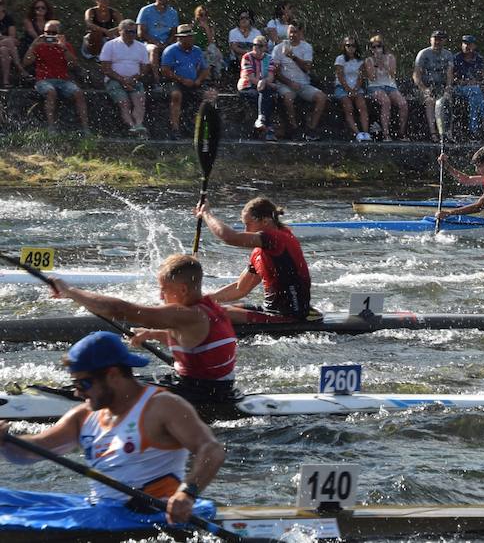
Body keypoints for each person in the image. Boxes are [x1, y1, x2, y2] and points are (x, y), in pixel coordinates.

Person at [0, 331, 224, 527]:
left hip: (149, 514)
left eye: (83, 384)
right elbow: (30, 453)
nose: (77, 393)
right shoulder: (84, 415)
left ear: (113, 375)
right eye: (74, 385)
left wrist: (187, 493)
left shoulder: (163, 406)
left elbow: (211, 449)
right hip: (102, 510)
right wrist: (5, 441)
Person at [50, 255, 237, 404]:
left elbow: (120, 310)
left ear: (182, 290)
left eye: (164, 289)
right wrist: (152, 334)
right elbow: (198, 342)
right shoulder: (211, 307)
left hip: (198, 393)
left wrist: (69, 291)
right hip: (216, 387)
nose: (160, 295)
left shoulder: (188, 314)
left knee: (104, 385)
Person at [199, 197, 312, 323]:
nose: (245, 230)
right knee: (208, 307)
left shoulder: (278, 239)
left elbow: (229, 237)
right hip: (269, 310)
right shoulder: (259, 252)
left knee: (214, 313)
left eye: (248, 224)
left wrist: (206, 214)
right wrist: (203, 299)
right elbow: (240, 288)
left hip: (290, 316)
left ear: (265, 221)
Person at [25, 20, 90, 131]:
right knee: (51, 92)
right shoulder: (39, 45)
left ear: (59, 33)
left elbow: (74, 64)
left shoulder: (65, 45)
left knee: (78, 93)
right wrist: (33, 45)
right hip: (43, 80)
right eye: (47, 32)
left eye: (53, 32)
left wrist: (63, 47)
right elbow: (25, 62)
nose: (49, 35)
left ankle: (86, 128)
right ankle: (51, 127)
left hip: (63, 80)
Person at [272, 22, 327, 140]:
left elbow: (307, 68)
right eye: (290, 32)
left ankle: (311, 128)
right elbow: (275, 73)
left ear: (301, 33)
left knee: (321, 97)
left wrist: (293, 57)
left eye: (295, 32)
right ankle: (294, 128)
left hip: (303, 84)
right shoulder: (278, 48)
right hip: (285, 84)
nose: (292, 35)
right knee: (288, 97)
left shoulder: (306, 47)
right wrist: (290, 83)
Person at [159, 24, 212, 136]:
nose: (192, 39)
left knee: (211, 95)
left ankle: (205, 127)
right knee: (176, 95)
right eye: (189, 37)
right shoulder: (170, 51)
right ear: (180, 38)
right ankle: (175, 128)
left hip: (194, 82)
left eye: (192, 36)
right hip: (174, 82)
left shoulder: (197, 50)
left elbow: (205, 69)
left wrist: (198, 79)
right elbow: (165, 71)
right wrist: (181, 79)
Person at [100, 19, 149, 136]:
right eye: (128, 32)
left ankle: (139, 125)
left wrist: (133, 79)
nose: (131, 34)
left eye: (133, 32)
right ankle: (131, 126)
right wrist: (123, 80)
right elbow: (105, 69)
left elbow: (144, 68)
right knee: (124, 102)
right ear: (120, 31)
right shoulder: (110, 45)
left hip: (134, 80)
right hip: (114, 80)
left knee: (139, 101)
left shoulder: (141, 47)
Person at [364, 34, 408, 142]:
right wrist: (376, 64)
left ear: (382, 47)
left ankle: (401, 133)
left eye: (378, 46)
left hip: (390, 86)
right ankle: (386, 133)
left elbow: (392, 74)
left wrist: (384, 64)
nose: (376, 49)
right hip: (375, 87)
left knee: (403, 104)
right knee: (386, 102)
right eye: (373, 47)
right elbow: (372, 77)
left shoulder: (390, 58)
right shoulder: (368, 60)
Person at [412, 30, 453, 142]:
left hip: (440, 86)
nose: (437, 42)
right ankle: (433, 133)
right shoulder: (423, 54)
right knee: (430, 101)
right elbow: (416, 75)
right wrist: (424, 89)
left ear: (444, 41)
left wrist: (448, 87)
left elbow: (449, 73)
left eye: (440, 39)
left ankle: (447, 133)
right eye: (435, 39)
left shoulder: (448, 55)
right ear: (430, 40)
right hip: (425, 86)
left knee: (447, 100)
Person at [238, 34, 277, 140]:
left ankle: (261, 122)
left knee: (265, 93)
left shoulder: (269, 58)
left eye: (259, 45)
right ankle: (268, 127)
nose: (256, 47)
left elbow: (270, 76)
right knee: (266, 96)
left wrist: (264, 82)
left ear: (265, 47)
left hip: (263, 87)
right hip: (248, 86)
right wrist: (262, 83)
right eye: (254, 45)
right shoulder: (247, 57)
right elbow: (250, 77)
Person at [452, 34, 484, 137]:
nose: (467, 46)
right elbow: (452, 77)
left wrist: (476, 81)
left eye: (469, 44)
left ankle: (473, 129)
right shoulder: (456, 58)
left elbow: (481, 76)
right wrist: (465, 82)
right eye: (465, 44)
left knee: (473, 99)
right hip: (458, 88)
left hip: (474, 89)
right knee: (475, 91)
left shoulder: (478, 59)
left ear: (474, 46)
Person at [333, 37, 371, 142]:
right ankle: (357, 133)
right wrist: (348, 90)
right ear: (344, 47)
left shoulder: (360, 61)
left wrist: (355, 89)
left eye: (353, 46)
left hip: (356, 88)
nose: (350, 48)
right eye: (348, 45)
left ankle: (366, 132)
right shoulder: (340, 59)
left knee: (362, 106)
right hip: (342, 87)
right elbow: (340, 76)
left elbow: (361, 77)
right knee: (348, 107)